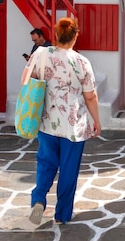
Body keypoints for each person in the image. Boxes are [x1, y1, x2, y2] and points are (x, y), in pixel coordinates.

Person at [28, 17, 101, 227]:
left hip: (47, 121)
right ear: (75, 36)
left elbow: (27, 80)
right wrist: (96, 121)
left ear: (56, 35)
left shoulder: (41, 54)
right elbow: (90, 96)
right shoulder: (82, 62)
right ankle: (62, 214)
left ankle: (39, 198)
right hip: (73, 126)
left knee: (46, 162)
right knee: (69, 169)